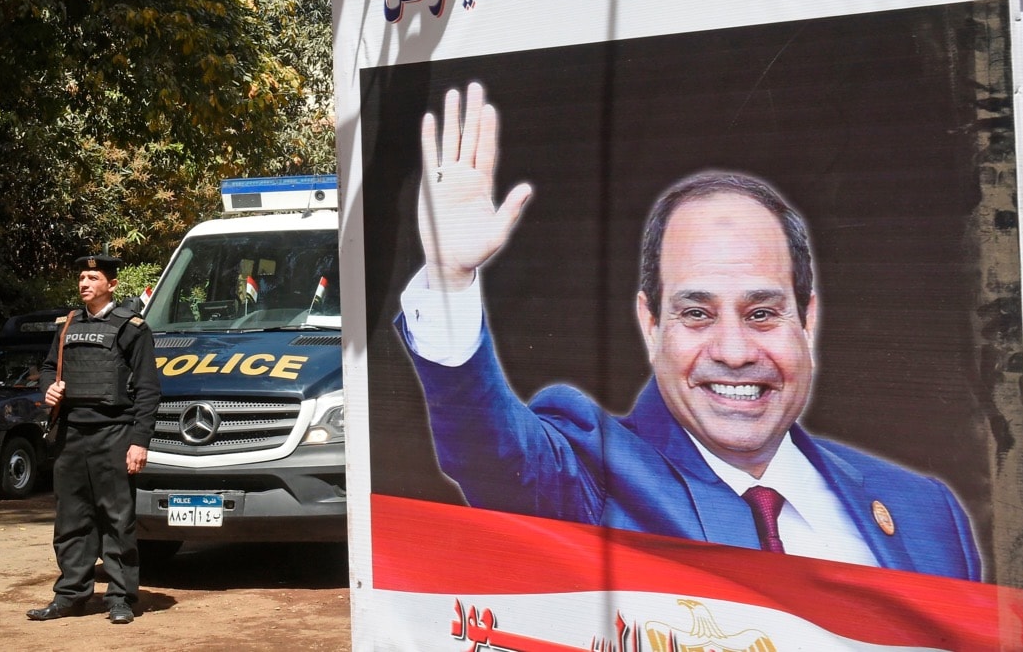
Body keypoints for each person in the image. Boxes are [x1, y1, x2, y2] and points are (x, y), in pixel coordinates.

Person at [396, 82, 982, 582]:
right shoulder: (595, 476)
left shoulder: (929, 515)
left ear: (808, 320)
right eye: (697, 314)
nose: (732, 352)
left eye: (761, 314)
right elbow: (493, 449)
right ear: (651, 325)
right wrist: (450, 280)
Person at [27, 254, 161, 624]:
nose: (85, 283)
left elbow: (149, 390)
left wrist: (140, 441)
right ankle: (70, 595)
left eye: (93, 277)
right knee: (71, 519)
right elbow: (47, 368)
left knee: (117, 519)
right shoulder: (67, 324)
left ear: (112, 285)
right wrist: (48, 388)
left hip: (114, 433)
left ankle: (120, 598)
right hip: (70, 433)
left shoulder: (132, 327)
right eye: (82, 277)